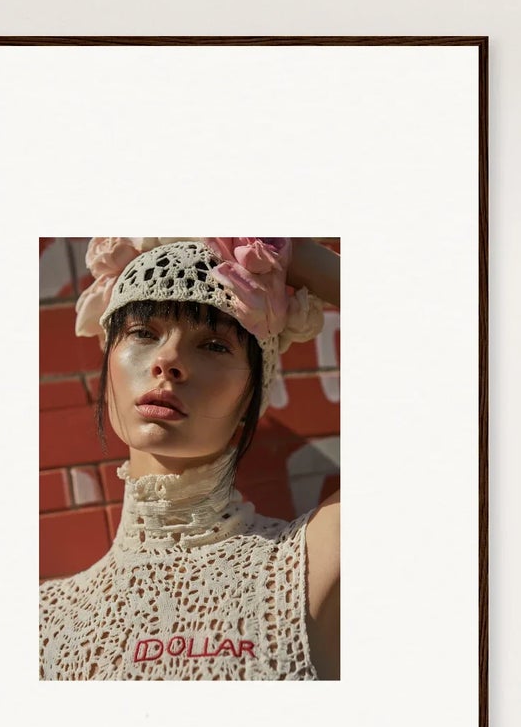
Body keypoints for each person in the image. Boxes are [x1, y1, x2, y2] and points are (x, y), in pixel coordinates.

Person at [38, 237, 340, 680]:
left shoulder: (310, 565)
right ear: (108, 367)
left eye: (215, 344)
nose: (168, 360)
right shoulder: (45, 621)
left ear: (252, 395)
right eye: (143, 332)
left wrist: (288, 251)